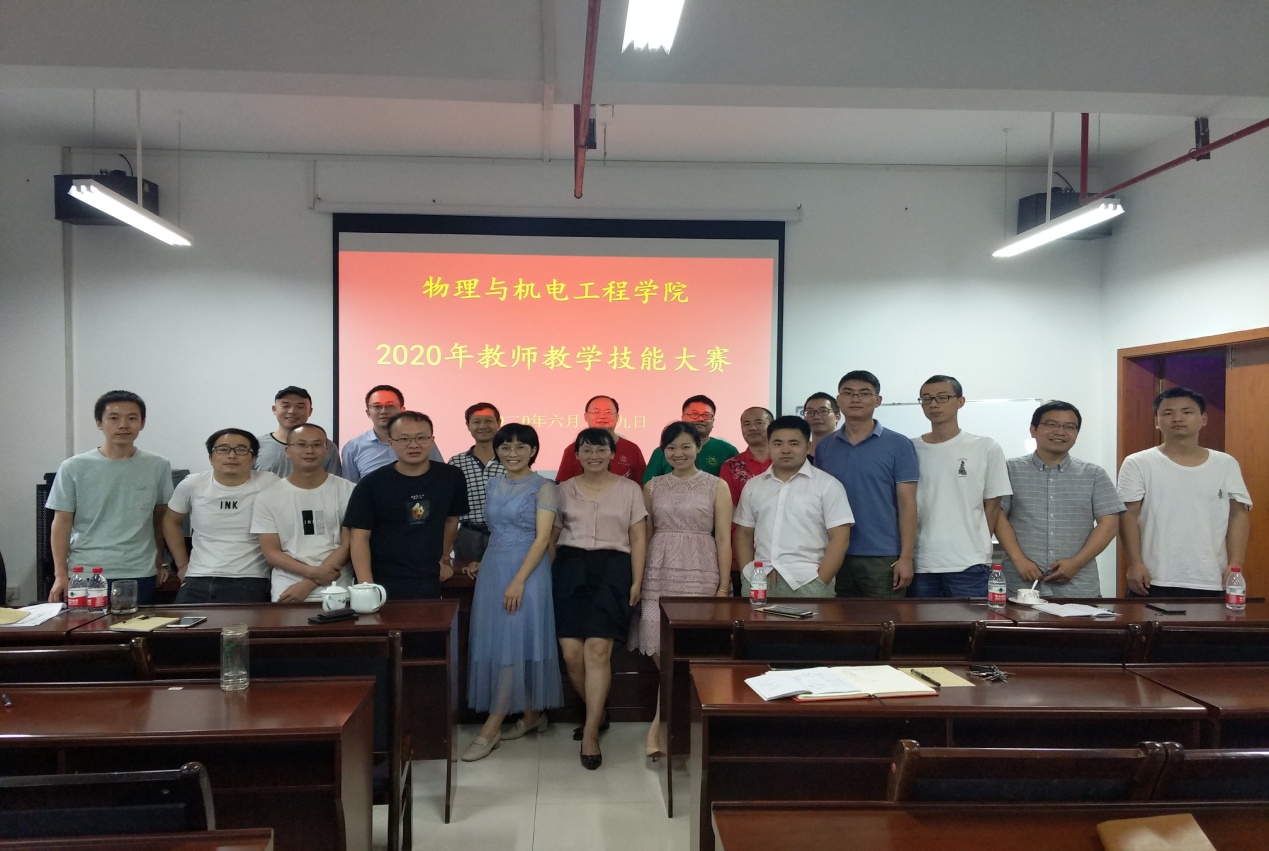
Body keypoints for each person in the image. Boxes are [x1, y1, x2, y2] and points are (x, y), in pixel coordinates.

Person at [460, 423, 563, 762]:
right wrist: (482, 560)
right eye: (505, 447)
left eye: (521, 447)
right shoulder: (493, 483)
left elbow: (542, 539)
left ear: (533, 451)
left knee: (514, 641)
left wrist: (518, 580)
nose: (512, 453)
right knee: (500, 640)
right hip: (494, 568)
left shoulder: (544, 487)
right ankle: (532, 714)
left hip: (528, 572)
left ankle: (492, 726)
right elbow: (495, 530)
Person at [631, 422, 732, 757]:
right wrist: (638, 578)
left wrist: (722, 587)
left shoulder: (716, 486)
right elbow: (643, 536)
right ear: (663, 451)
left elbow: (723, 537)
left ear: (699, 448)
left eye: (686, 446)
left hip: (701, 569)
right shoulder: (652, 486)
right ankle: (670, 722)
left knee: (690, 646)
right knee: (660, 646)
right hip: (658, 571)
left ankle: (660, 725)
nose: (678, 453)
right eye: (671, 448)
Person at [551, 428, 648, 770]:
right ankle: (599, 711)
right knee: (571, 652)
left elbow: (638, 538)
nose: (594, 456)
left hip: (613, 569)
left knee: (597, 649)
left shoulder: (630, 489)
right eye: (586, 450)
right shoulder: (562, 490)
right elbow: (552, 537)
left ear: (612, 454)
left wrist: (637, 580)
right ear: (576, 455)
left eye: (601, 450)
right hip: (569, 567)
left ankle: (591, 731)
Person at [1118, 387, 1251, 597]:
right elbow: (1128, 516)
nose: (1177, 418)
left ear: (1203, 419)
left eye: (1187, 412)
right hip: (1153, 577)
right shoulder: (1138, 463)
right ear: (1157, 421)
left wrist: (1236, 564)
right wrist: (1134, 563)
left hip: (1211, 578)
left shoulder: (1225, 464)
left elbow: (1238, 516)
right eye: (1168, 413)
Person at [46, 390, 173, 604]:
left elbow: (160, 519)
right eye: (113, 418)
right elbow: (62, 523)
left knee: (135, 625)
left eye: (132, 418)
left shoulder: (158, 465)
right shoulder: (73, 467)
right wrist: (60, 574)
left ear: (142, 423)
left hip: (139, 570)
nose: (123, 425)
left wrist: (160, 562)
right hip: (85, 571)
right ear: (99, 423)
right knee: (86, 626)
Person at [995, 401, 1125, 599]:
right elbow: (997, 515)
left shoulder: (1093, 474)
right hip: (1021, 585)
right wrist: (1019, 559)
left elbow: (1109, 523)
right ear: (1033, 429)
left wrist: (1076, 563)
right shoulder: (1009, 470)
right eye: (1051, 424)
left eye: (1069, 427)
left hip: (1079, 587)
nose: (1060, 431)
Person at [813, 371, 919, 598]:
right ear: (839, 400)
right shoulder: (825, 446)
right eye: (848, 393)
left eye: (864, 393)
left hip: (882, 556)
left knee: (885, 618)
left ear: (877, 400)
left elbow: (907, 503)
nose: (855, 399)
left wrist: (906, 557)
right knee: (837, 619)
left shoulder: (899, 444)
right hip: (834, 553)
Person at [345, 411, 468, 600]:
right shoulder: (372, 484)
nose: (413, 445)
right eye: (404, 439)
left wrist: (441, 558)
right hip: (383, 578)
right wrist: (367, 587)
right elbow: (359, 537)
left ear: (432, 440)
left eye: (421, 438)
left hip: (429, 577)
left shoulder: (451, 477)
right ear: (390, 441)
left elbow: (451, 520)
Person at [910, 375, 1012, 598]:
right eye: (926, 399)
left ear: (960, 401)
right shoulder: (910, 448)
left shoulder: (985, 447)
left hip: (969, 564)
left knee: (971, 620)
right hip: (921, 562)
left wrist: (976, 546)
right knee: (919, 622)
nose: (934, 404)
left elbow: (993, 506)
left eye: (942, 397)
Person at [735, 416, 853, 599]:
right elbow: (744, 533)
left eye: (794, 443)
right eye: (777, 444)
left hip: (808, 581)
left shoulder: (828, 485)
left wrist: (821, 580)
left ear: (808, 446)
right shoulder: (753, 486)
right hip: (759, 580)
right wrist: (747, 575)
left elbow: (840, 537)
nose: (785, 450)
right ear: (769, 446)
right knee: (755, 620)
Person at [164, 429, 280, 603]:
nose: (232, 455)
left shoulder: (269, 482)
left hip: (249, 579)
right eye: (223, 449)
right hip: (197, 577)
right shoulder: (193, 484)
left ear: (253, 458)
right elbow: (170, 521)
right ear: (210, 457)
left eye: (241, 450)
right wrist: (182, 565)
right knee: (183, 621)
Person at [249, 423, 356, 602]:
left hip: (338, 589)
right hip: (288, 591)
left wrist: (309, 583)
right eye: (301, 444)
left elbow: (349, 544)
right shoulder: (267, 497)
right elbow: (271, 552)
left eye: (317, 444)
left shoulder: (350, 491)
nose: (309, 450)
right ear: (287, 451)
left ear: (327, 450)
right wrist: (314, 574)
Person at [342, 384, 443, 483]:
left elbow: (440, 475)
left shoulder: (421, 441)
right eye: (377, 406)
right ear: (368, 413)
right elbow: (348, 488)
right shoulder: (353, 448)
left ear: (402, 410)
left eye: (390, 406)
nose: (383, 411)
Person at [449, 403, 506, 564]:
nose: (482, 426)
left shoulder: (511, 459)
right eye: (476, 422)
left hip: (504, 534)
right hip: (468, 535)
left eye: (488, 421)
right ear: (468, 425)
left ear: (498, 423)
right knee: (465, 577)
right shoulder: (456, 462)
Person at [641, 395, 739, 480]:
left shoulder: (728, 451)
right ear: (682, 418)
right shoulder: (661, 452)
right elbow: (649, 487)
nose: (700, 419)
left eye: (707, 415)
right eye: (694, 414)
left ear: (713, 421)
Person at [554, 395, 647, 483]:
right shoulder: (572, 449)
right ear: (586, 416)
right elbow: (563, 487)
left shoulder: (632, 449)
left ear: (617, 417)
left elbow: (642, 486)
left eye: (608, 412)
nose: (602, 416)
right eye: (595, 412)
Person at [254, 386, 342, 478]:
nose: (292, 411)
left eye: (300, 407)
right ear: (274, 409)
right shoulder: (256, 445)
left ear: (310, 411)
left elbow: (335, 483)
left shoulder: (325, 446)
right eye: (286, 406)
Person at [720, 407, 774, 505]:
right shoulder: (731, 466)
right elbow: (729, 506)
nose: (752, 428)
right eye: (746, 424)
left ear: (772, 427)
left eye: (759, 423)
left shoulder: (785, 460)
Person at [802, 392, 841, 458]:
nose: (816, 417)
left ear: (837, 417)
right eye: (810, 412)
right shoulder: (799, 455)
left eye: (823, 411)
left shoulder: (847, 452)